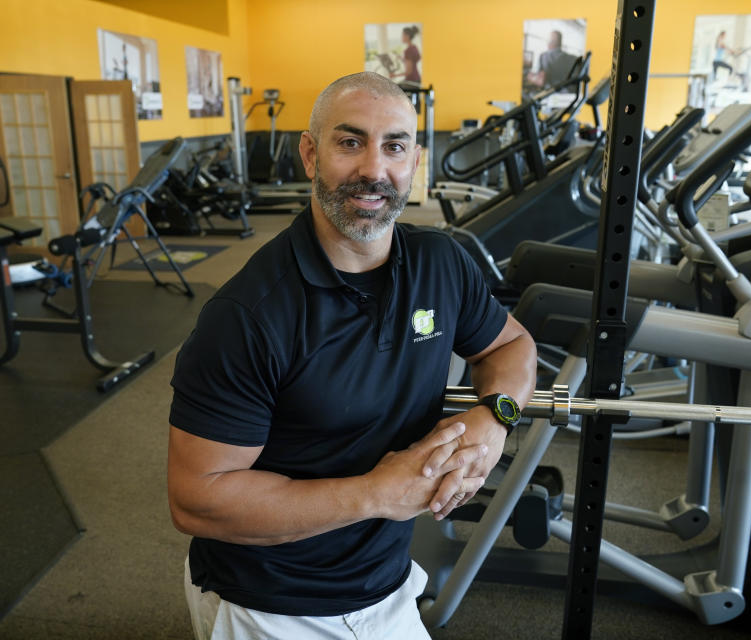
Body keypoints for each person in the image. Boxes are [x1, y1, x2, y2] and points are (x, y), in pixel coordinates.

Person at [167, 71, 537, 640]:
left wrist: (495, 420)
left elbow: (512, 345)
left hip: (386, 583)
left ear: (414, 160)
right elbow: (197, 501)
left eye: (393, 146)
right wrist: (376, 492)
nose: (373, 169)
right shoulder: (248, 315)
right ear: (310, 155)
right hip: (271, 602)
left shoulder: (442, 263)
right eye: (349, 143)